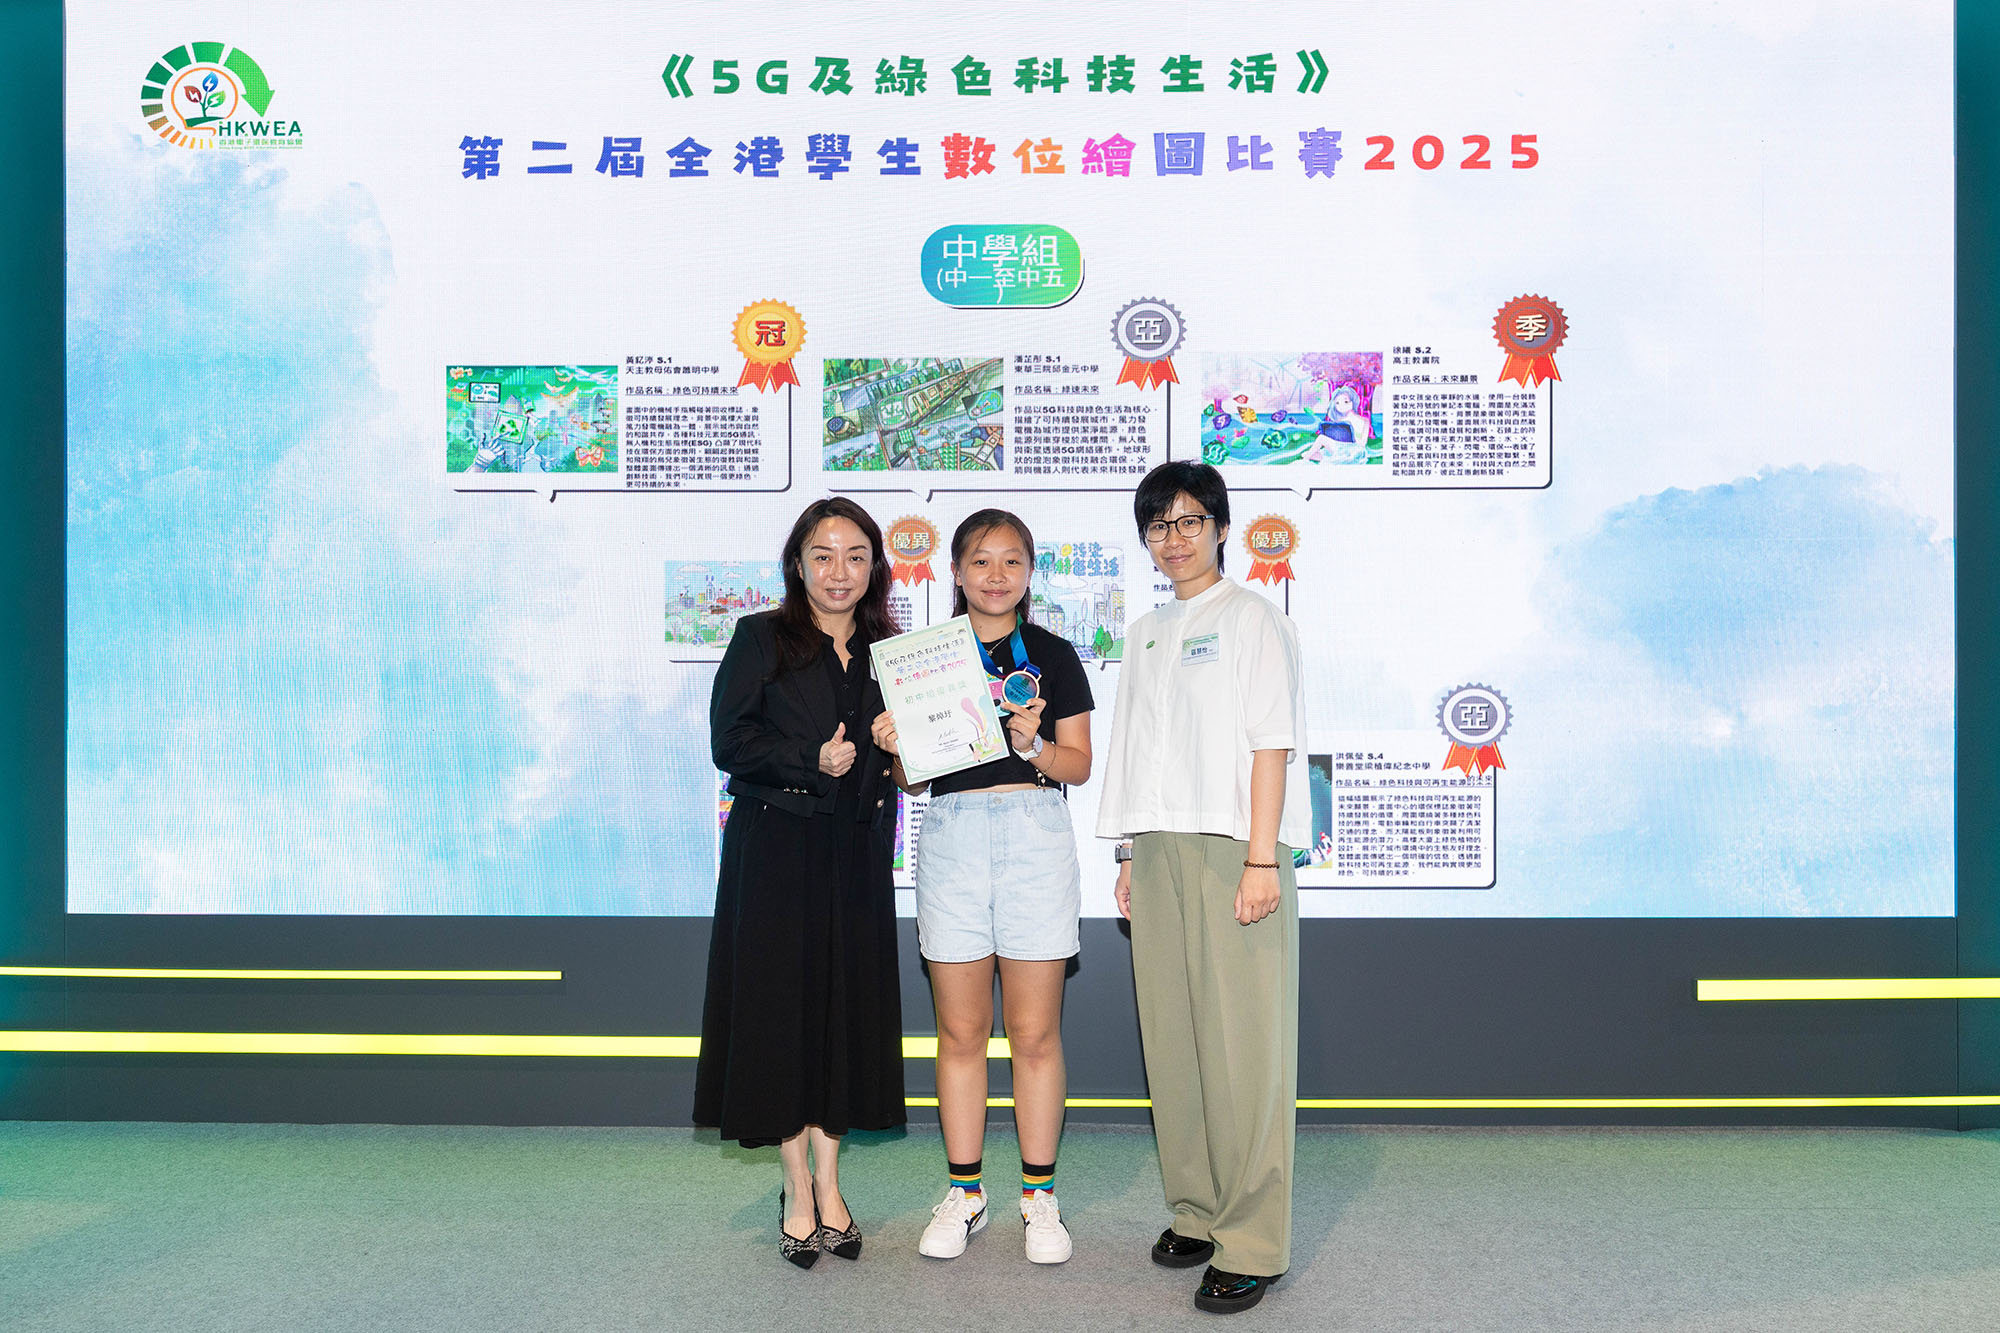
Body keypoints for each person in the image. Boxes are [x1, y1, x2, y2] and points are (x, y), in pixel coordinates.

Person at [1095, 461, 1309, 1315]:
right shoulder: (1147, 631)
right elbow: (1137, 749)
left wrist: (1262, 861)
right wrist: (1127, 853)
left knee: (1243, 1049)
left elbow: (1272, 744)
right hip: (1157, 848)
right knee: (1175, 1040)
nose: (1175, 537)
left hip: (1234, 848)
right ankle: (1196, 1209)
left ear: (1221, 527)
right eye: (1159, 524)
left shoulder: (1253, 616)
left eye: (1190, 520)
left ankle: (1251, 1238)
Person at [868, 509, 1094, 1266]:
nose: (997, 575)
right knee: (961, 1033)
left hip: (1035, 832)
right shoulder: (921, 660)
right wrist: (896, 749)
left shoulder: (1054, 654)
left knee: (1034, 1034)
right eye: (980, 561)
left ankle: (1039, 1196)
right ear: (956, 572)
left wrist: (1035, 745)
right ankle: (965, 1191)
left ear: (1030, 572)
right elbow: (911, 779)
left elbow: (1078, 765)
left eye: (1012, 561)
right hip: (954, 836)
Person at [694, 497, 906, 1270]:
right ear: (797, 563)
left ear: (874, 566)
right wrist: (807, 760)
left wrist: (901, 742)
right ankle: (795, 1185)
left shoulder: (893, 651)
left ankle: (832, 1180)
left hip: (856, 854)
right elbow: (729, 740)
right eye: (823, 555)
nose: (838, 571)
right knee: (782, 1014)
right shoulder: (761, 637)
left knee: (842, 1012)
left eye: (855, 555)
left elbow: (921, 760)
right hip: (776, 849)